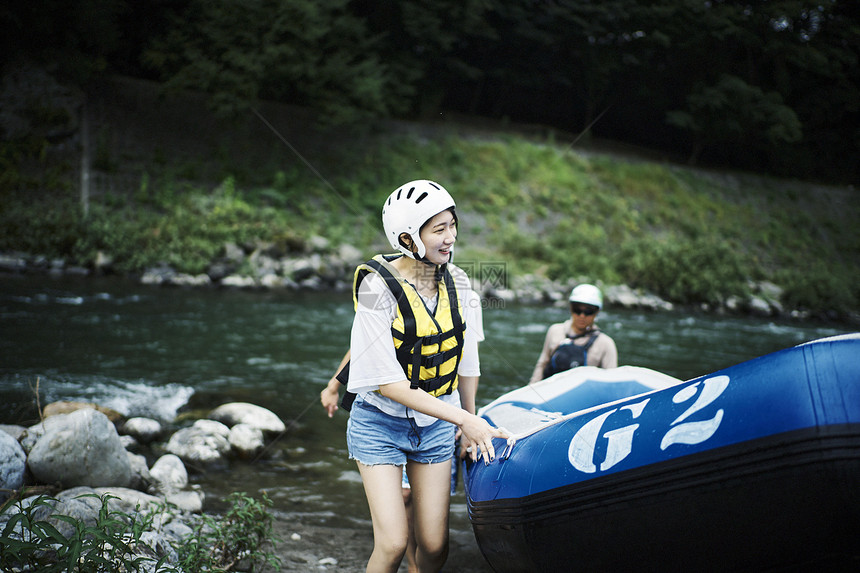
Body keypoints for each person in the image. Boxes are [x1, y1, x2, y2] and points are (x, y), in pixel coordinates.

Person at [323, 179, 506, 573]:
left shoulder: (459, 281)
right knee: (392, 544)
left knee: (436, 547)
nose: (451, 237)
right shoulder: (376, 288)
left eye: (452, 225)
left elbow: (465, 360)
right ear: (407, 237)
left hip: (440, 423)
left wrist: (466, 423)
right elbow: (386, 381)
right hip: (378, 424)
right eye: (438, 229)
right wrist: (464, 419)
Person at [529, 283, 618, 383]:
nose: (582, 316)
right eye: (577, 310)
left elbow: (611, 382)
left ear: (597, 312)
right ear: (571, 308)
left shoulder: (605, 344)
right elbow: (542, 364)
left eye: (588, 311)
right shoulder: (555, 331)